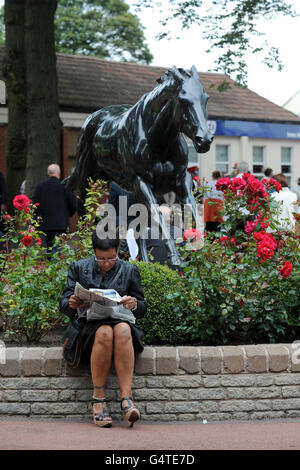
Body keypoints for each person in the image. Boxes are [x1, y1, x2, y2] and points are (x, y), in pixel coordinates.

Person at [59, 230, 146, 428]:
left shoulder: (129, 270)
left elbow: (141, 308)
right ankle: (98, 398)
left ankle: (127, 399)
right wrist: (71, 302)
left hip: (121, 321)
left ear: (117, 250)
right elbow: (63, 304)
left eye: (110, 258)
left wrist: (133, 304)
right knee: (104, 331)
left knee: (123, 329)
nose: (106, 263)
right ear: (94, 252)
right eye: (100, 259)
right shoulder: (79, 268)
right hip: (89, 326)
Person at [33, 164, 77, 251]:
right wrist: (68, 215)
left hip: (45, 224)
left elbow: (35, 206)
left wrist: (36, 221)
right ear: (59, 173)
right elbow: (73, 204)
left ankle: (50, 262)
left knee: (49, 248)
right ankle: (54, 263)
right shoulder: (65, 186)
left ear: (48, 173)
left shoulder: (39, 187)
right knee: (57, 248)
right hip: (61, 223)